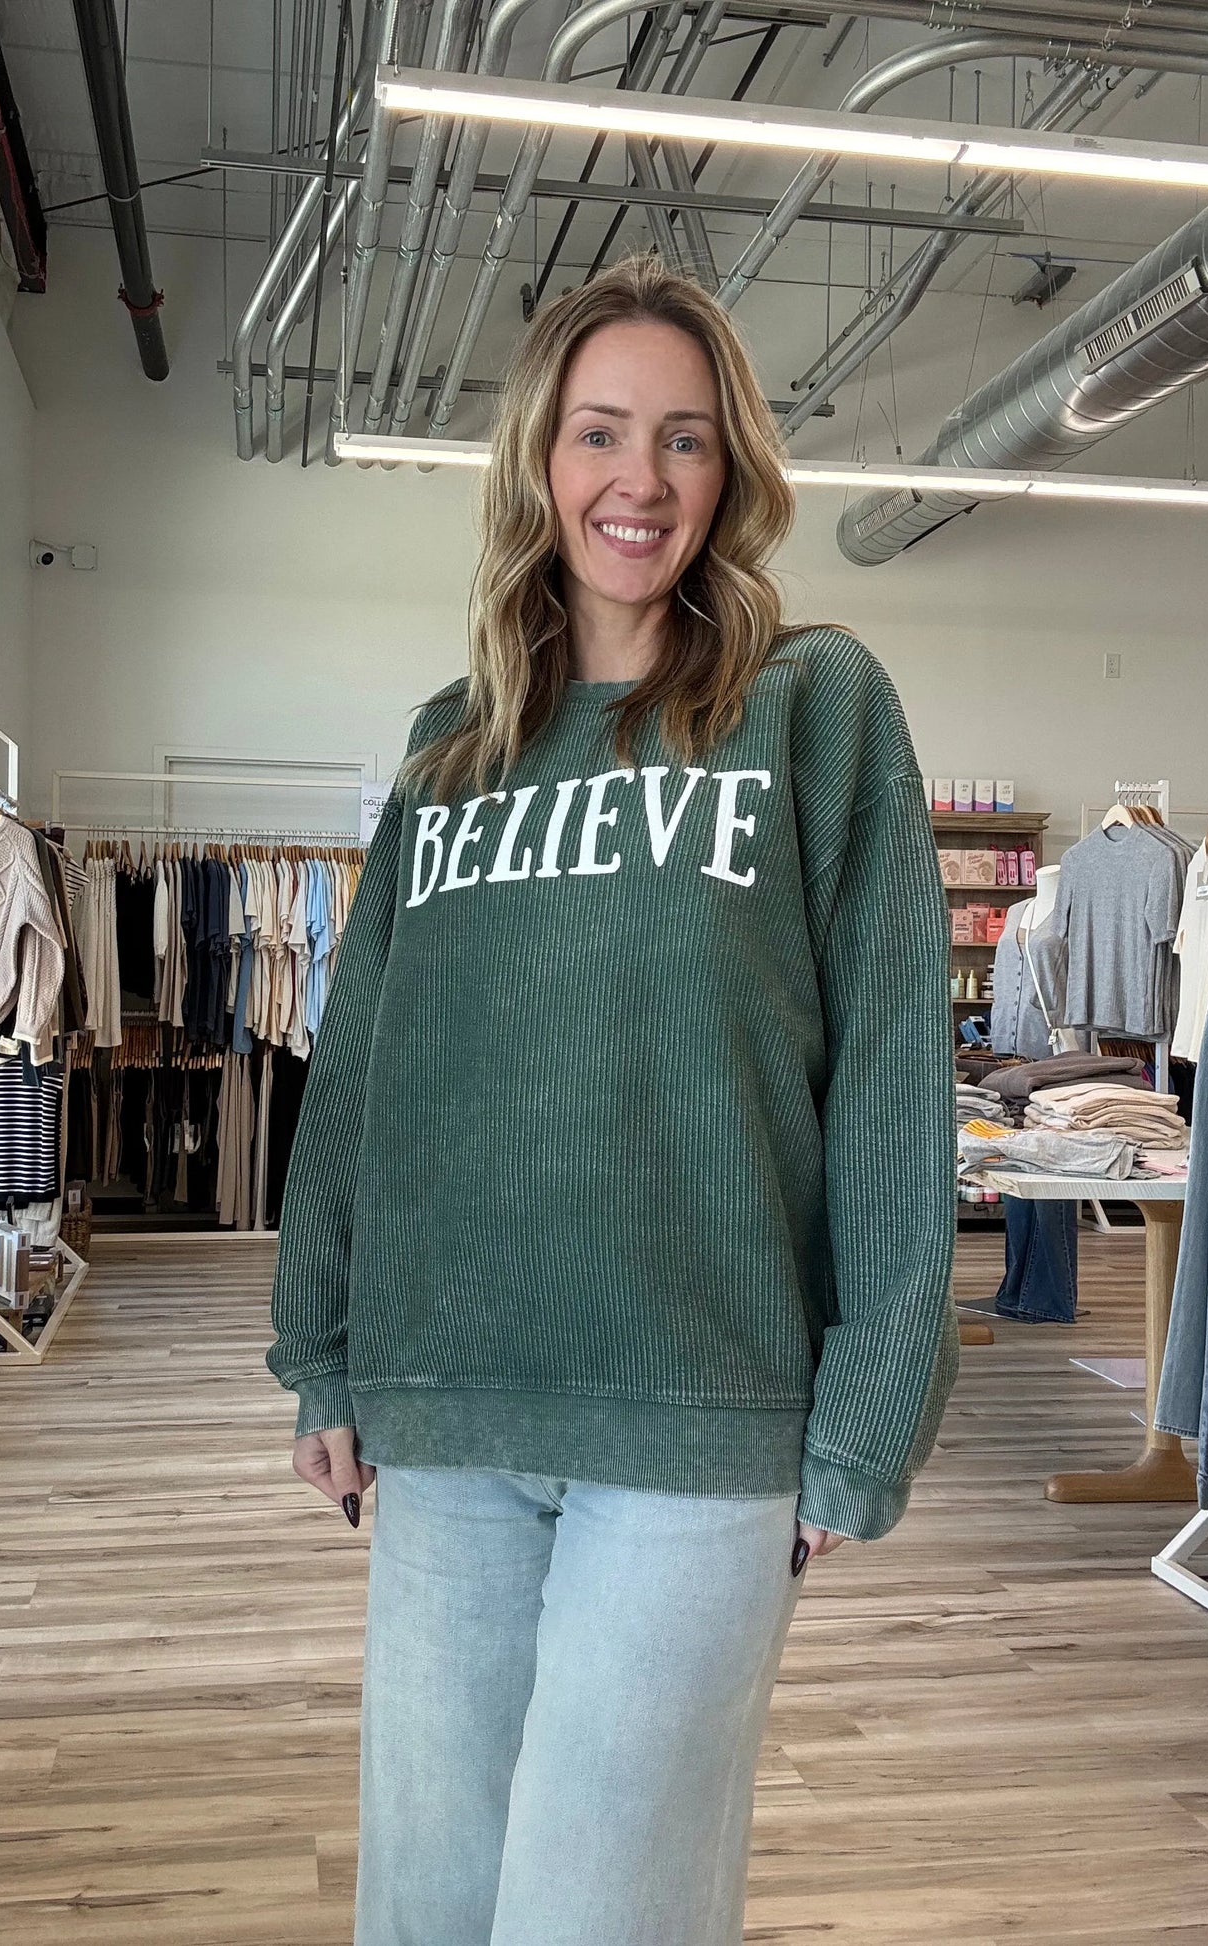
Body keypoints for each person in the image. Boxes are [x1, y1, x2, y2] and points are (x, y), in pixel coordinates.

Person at [268, 253, 958, 1946]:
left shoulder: (813, 711)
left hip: (697, 1415)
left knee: (601, 1912)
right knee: (426, 1901)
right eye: (597, 433)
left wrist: (868, 1400)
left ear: (729, 474)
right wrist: (324, 1348)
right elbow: (368, 1064)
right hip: (454, 1408)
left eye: (682, 439)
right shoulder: (448, 755)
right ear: (539, 461)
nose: (635, 480)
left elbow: (888, 1070)